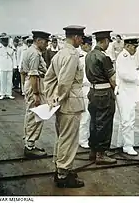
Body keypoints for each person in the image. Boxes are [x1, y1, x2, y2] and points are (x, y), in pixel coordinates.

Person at [44, 26, 86, 188]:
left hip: (62, 104)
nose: (82, 41)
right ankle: (63, 174)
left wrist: (52, 99)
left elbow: (49, 79)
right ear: (75, 37)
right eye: (81, 38)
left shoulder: (60, 54)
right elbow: (65, 82)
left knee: (62, 137)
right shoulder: (72, 55)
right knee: (69, 139)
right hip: (70, 103)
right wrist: (59, 99)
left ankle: (61, 167)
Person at [85, 30, 117, 165]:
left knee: (94, 122)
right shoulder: (104, 57)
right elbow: (113, 79)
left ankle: (93, 150)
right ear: (105, 41)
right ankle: (101, 154)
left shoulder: (89, 55)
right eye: (108, 42)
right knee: (104, 123)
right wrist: (116, 90)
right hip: (104, 93)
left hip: (93, 91)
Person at [115, 37, 139, 155]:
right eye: (134, 47)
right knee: (127, 120)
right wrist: (137, 76)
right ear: (127, 46)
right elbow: (125, 75)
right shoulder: (123, 57)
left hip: (128, 92)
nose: (136, 49)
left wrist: (138, 73)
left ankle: (121, 143)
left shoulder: (128, 57)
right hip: (124, 92)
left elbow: (129, 73)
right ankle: (128, 146)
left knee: (126, 119)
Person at [22, 31, 51, 158]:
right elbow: (34, 75)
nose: (47, 44)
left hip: (32, 83)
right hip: (35, 84)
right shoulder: (34, 54)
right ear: (38, 40)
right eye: (45, 41)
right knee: (35, 116)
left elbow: (24, 71)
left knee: (33, 115)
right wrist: (36, 94)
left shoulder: (30, 51)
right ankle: (29, 146)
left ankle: (30, 143)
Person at [78, 35, 93, 149]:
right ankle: (82, 139)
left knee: (90, 115)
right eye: (88, 45)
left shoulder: (89, 56)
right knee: (85, 115)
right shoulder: (80, 56)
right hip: (84, 87)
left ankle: (86, 137)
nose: (89, 47)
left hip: (91, 87)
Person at [0, 34, 17, 100]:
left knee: (9, 80)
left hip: (9, 66)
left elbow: (14, 58)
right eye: (4, 40)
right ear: (1, 41)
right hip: (2, 66)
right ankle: (2, 94)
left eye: (6, 40)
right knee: (2, 80)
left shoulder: (11, 49)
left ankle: (9, 94)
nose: (5, 42)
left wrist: (14, 66)